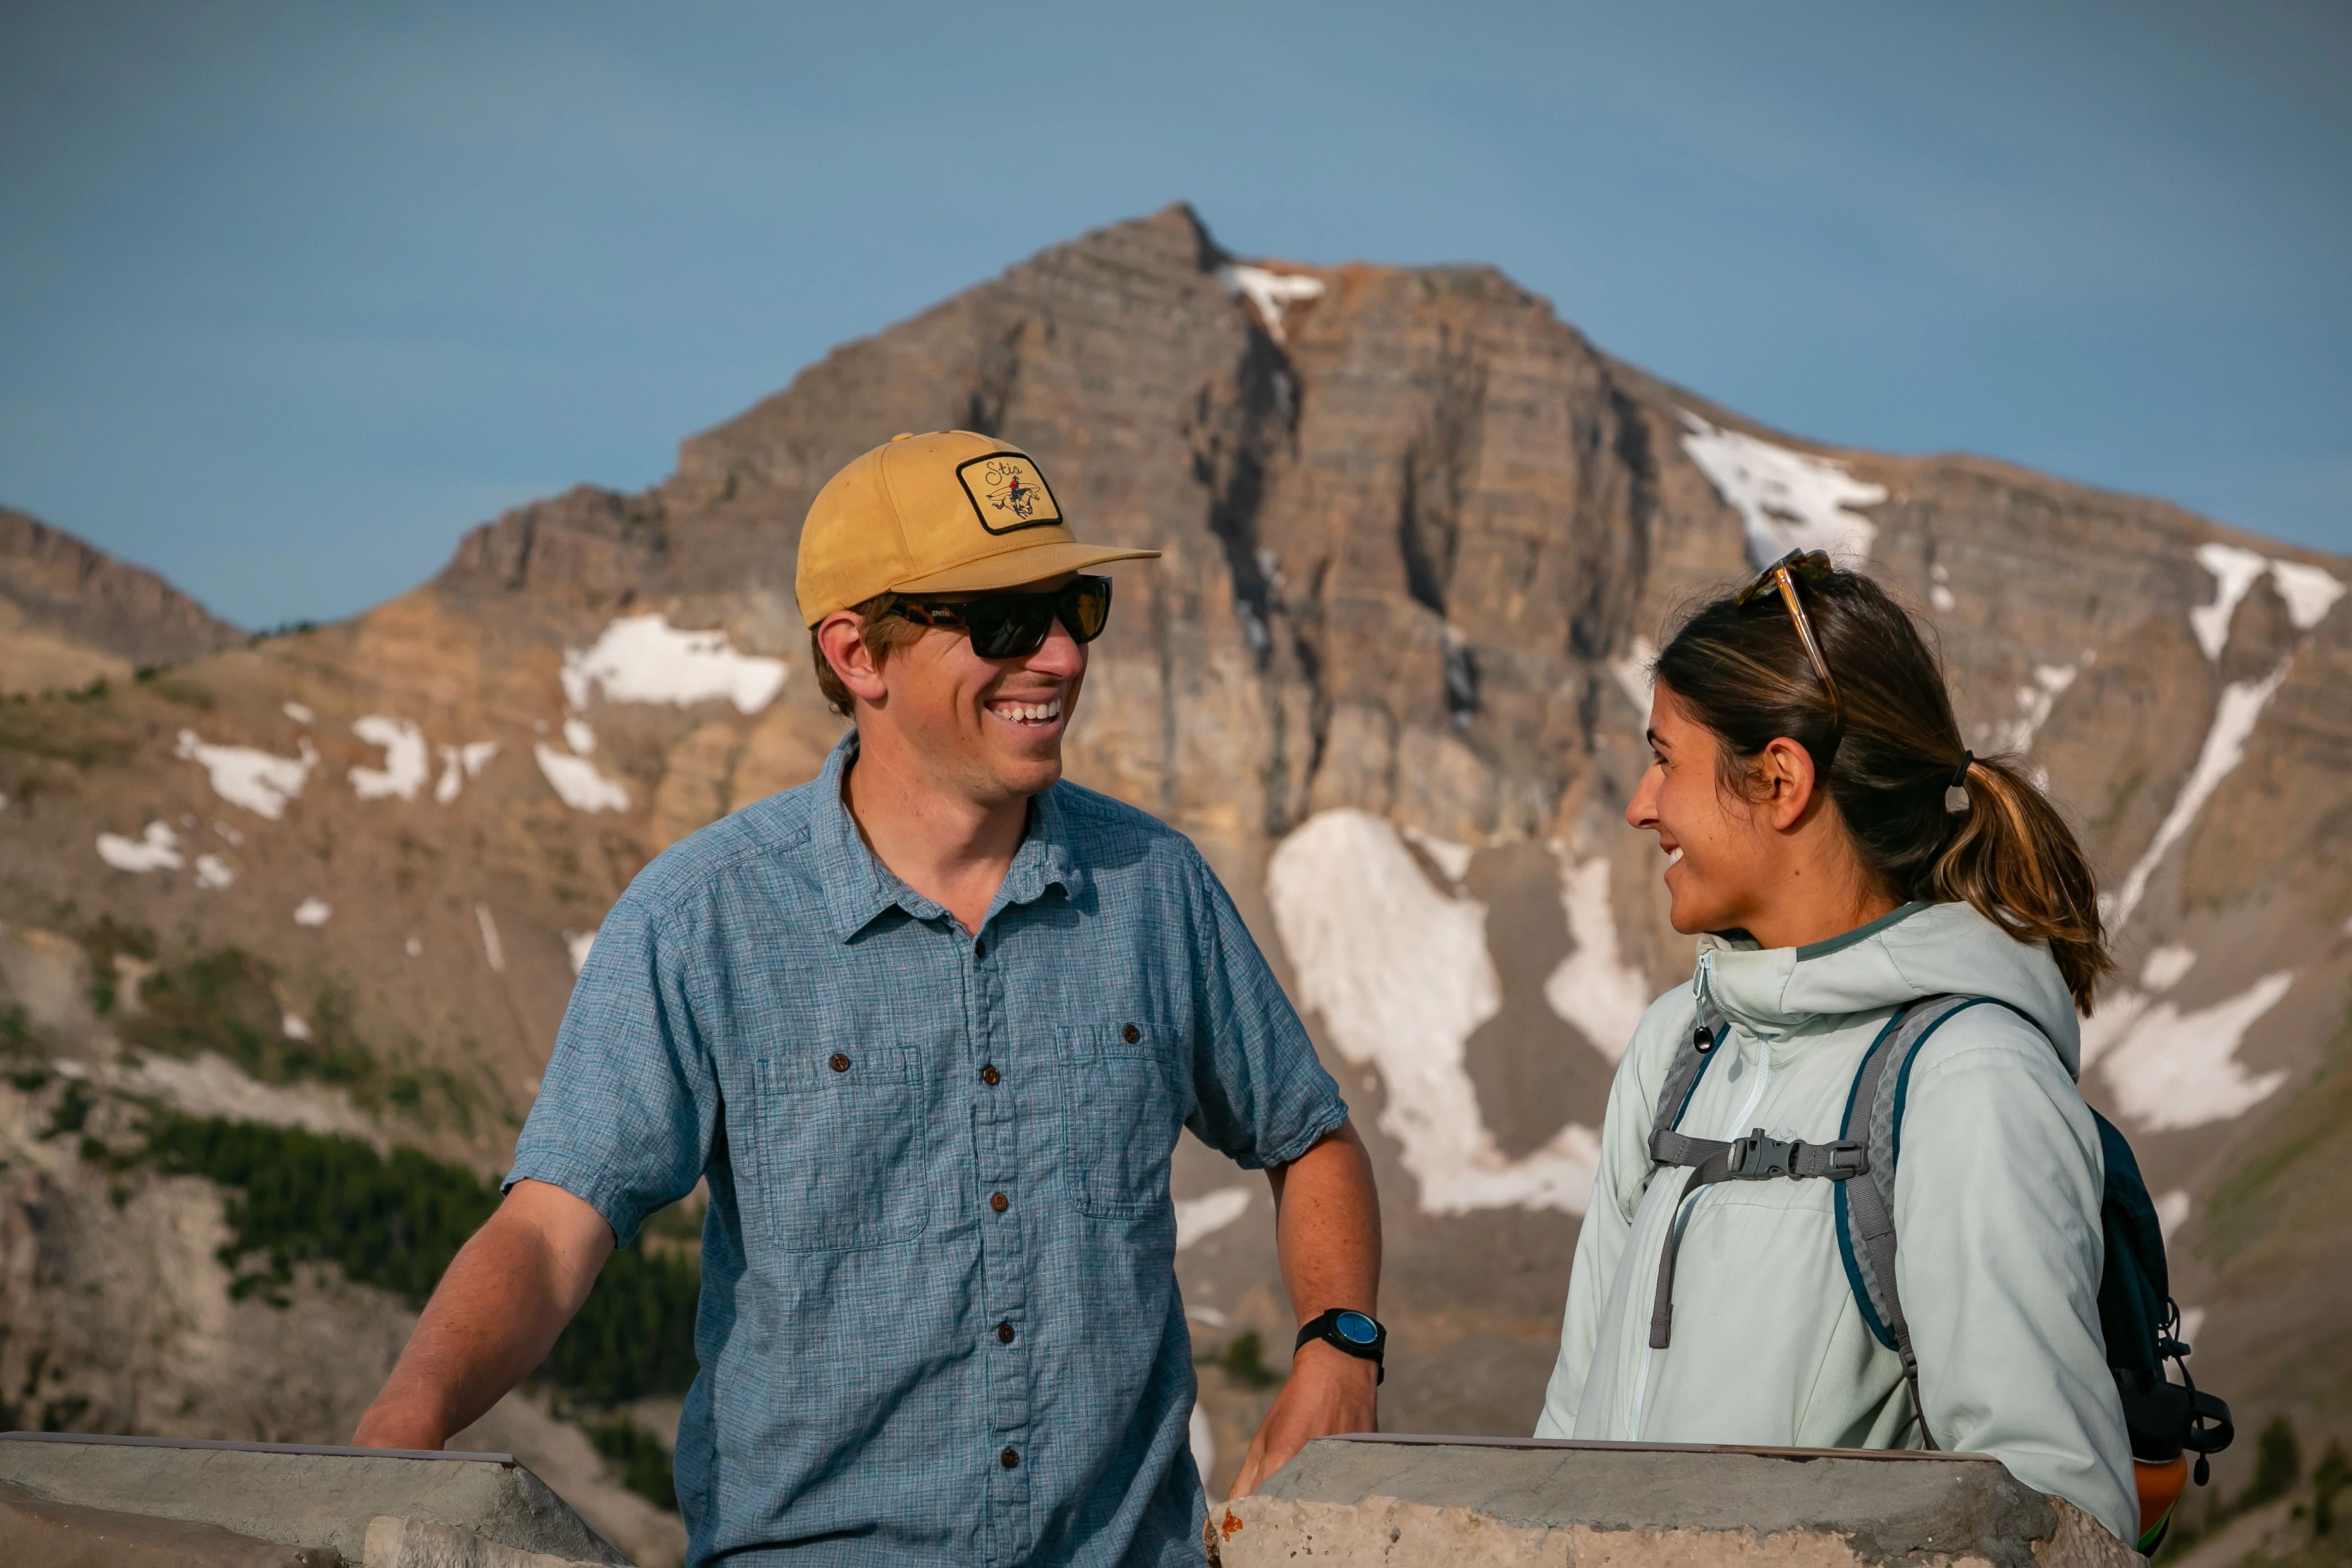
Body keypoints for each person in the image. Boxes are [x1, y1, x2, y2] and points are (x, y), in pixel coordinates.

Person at [354, 432, 1386, 1566]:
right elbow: (551, 1233)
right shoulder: (702, 917)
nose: (1056, 656)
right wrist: (409, 1421)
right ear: (859, 653)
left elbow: (1311, 1138)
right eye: (1002, 622)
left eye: (1073, 608)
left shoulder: (1159, 891)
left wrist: (1338, 1347)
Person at [1535, 551, 2137, 1545]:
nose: (1642, 804)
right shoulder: (1675, 1050)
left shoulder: (1971, 1083)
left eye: (1666, 759)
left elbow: (2058, 1522)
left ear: (1779, 779)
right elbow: (1566, 1436)